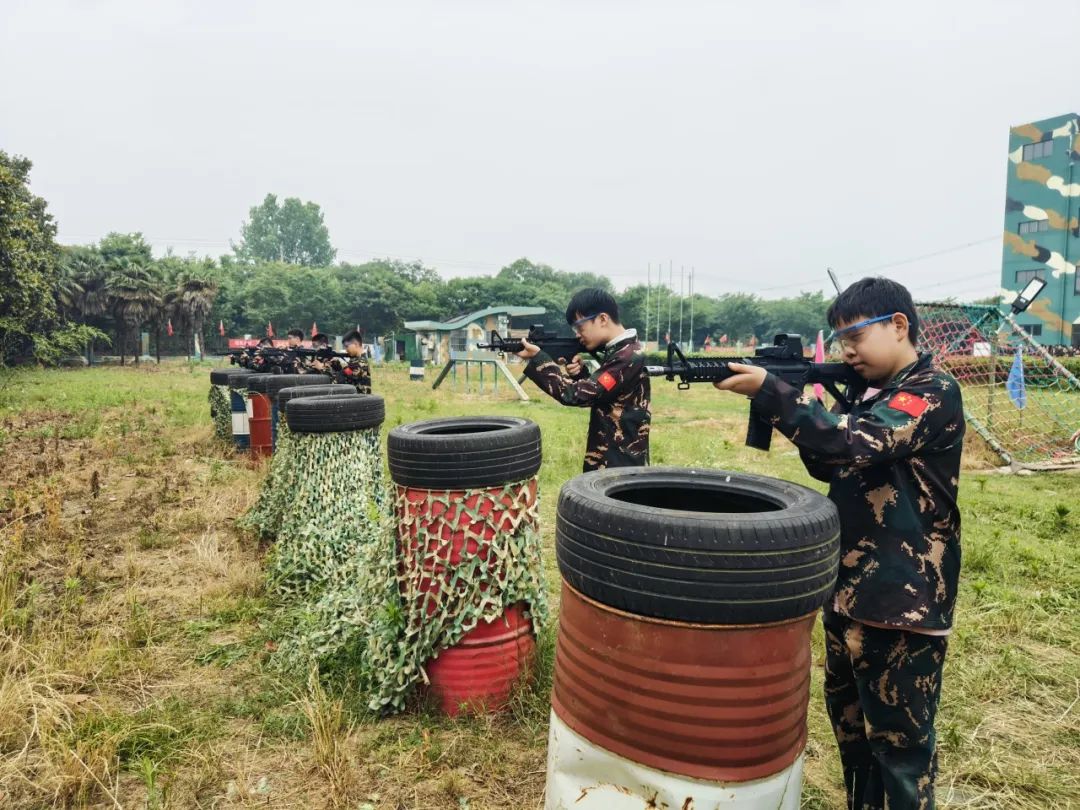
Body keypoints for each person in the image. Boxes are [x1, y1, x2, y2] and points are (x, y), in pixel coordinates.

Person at [712, 277, 964, 810]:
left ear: (899, 325)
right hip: (850, 589)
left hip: (904, 599)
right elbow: (830, 458)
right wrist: (796, 397)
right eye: (839, 337)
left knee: (899, 748)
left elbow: (854, 440)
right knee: (853, 736)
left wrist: (774, 393)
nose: (847, 348)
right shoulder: (876, 393)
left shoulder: (932, 391)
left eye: (855, 334)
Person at [515, 288, 650, 472]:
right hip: (612, 459)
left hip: (619, 464)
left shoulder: (627, 357)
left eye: (580, 327)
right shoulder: (621, 352)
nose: (577, 334)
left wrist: (540, 360)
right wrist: (580, 374)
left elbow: (575, 395)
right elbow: (604, 396)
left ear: (603, 319)